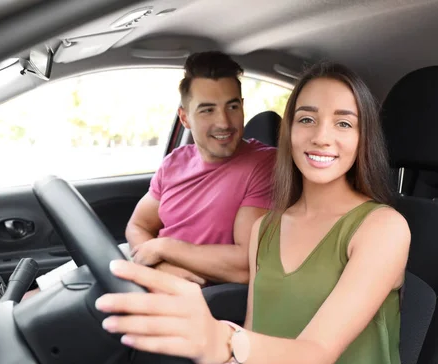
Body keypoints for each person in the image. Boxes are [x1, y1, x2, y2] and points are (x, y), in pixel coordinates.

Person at [94, 61, 410, 364]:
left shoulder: (382, 229)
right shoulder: (265, 229)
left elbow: (312, 358)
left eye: (344, 123)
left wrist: (220, 342)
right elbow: (253, 338)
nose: (321, 137)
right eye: (306, 119)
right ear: (288, 130)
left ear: (364, 138)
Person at [29, 51, 276, 294]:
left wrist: (165, 248)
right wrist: (160, 266)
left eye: (232, 106)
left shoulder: (264, 165)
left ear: (242, 106)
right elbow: (138, 225)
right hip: (149, 271)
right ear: (185, 118)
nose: (224, 122)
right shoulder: (175, 162)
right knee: (33, 297)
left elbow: (246, 265)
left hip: (194, 297)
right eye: (207, 110)